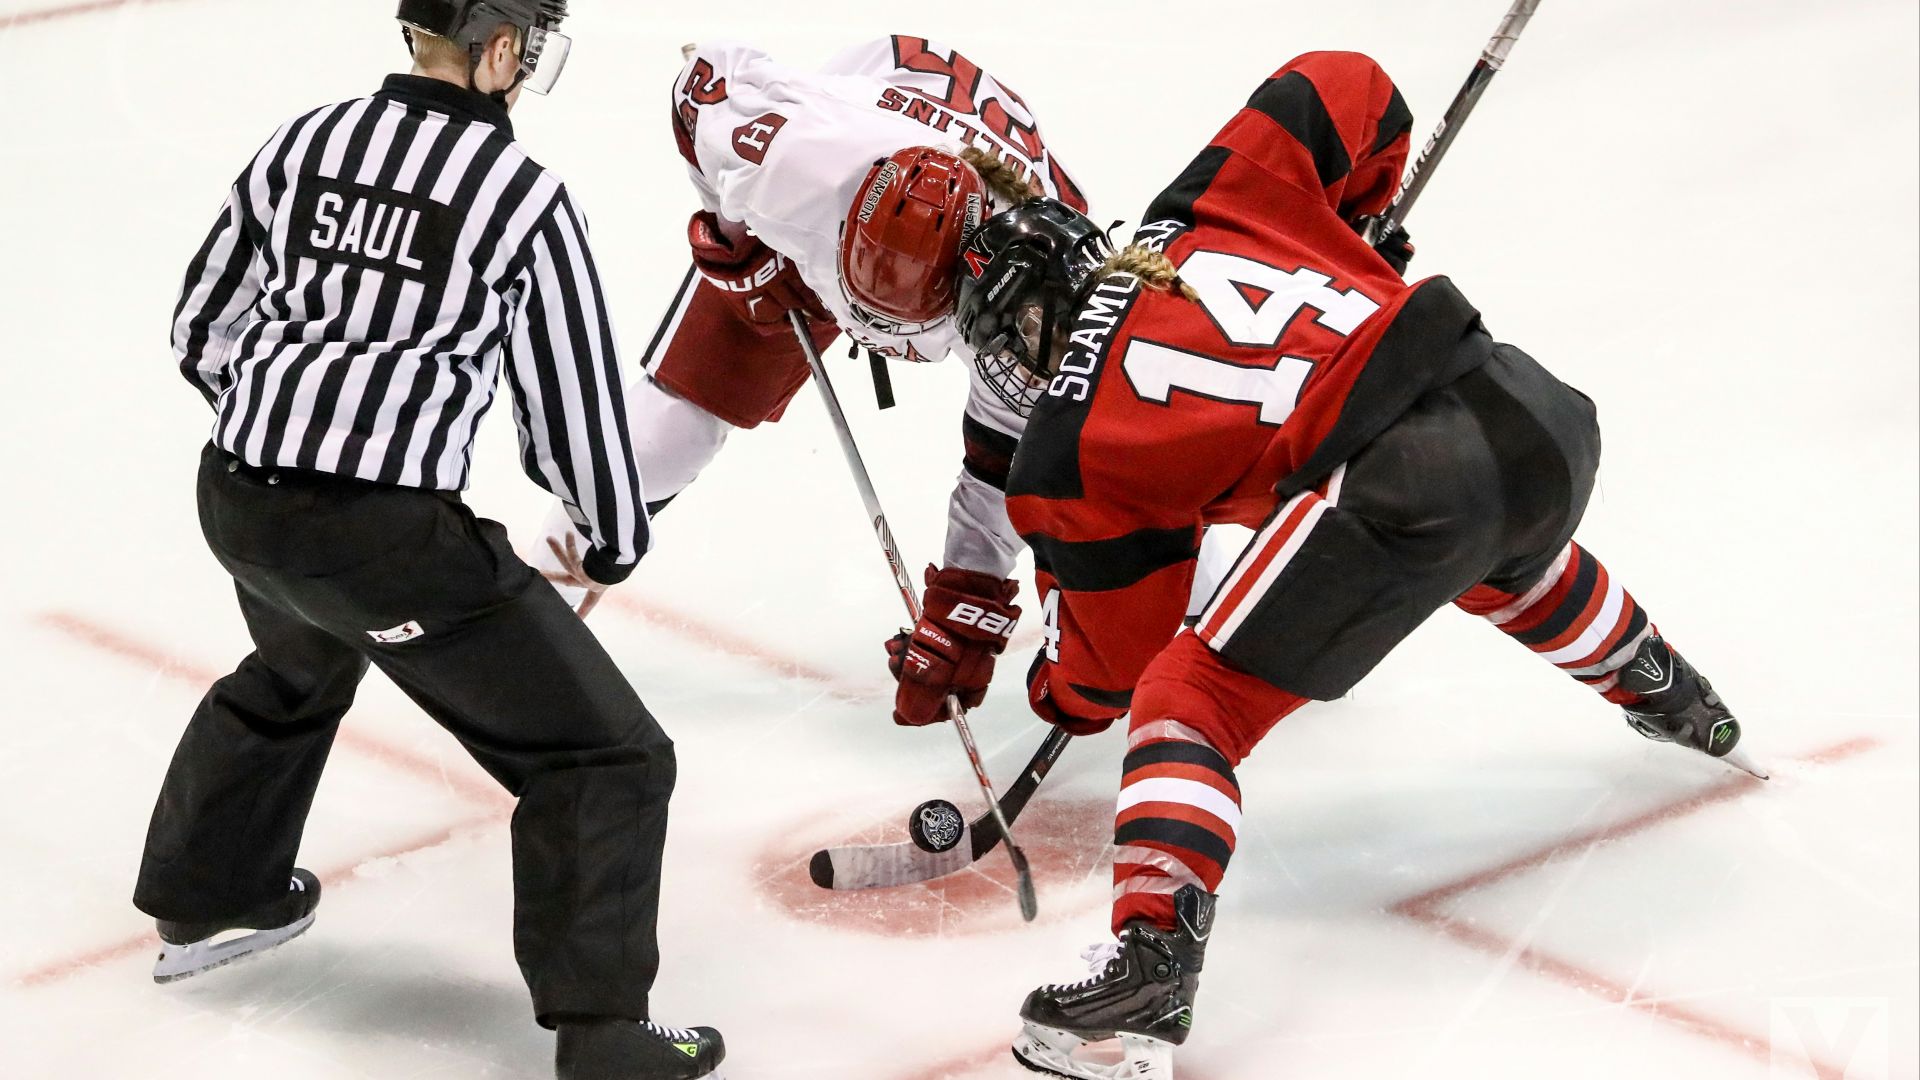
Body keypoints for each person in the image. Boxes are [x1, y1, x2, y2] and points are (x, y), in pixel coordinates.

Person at [951, 51, 1759, 1080]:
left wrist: (1056, 689)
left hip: (1406, 473)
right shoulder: (1198, 203)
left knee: (1188, 700)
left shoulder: (1062, 445)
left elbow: (1116, 664)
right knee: (1497, 556)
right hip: (1533, 411)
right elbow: (1345, 85)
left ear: (1024, 318)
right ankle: (1672, 691)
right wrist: (1353, 222)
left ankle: (1147, 976)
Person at [142, 3, 722, 1077]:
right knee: (606, 754)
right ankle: (604, 1037)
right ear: (501, 49)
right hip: (381, 535)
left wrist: (286, 427)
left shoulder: (306, 138)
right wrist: (612, 537)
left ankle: (210, 896)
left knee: (297, 661)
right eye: (530, 43)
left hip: (236, 497)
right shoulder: (520, 195)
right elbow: (570, 417)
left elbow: (200, 329)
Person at [532, 36, 1104, 725]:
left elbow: (998, 464)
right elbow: (703, 75)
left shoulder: (1025, 293)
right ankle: (524, 619)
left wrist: (966, 600)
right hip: (823, 220)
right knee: (656, 448)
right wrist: (737, 237)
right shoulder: (797, 160)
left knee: (1072, 461)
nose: (863, 329)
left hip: (942, 232)